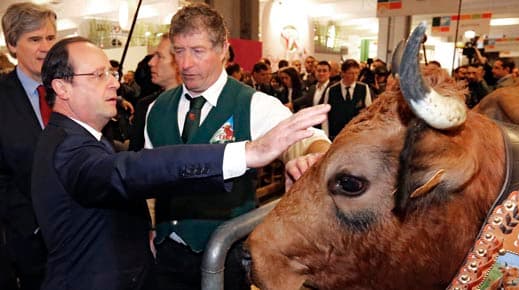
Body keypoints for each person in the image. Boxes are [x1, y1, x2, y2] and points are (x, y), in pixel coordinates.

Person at [31, 36, 330, 290]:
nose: (114, 84)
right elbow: (131, 171)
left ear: (222, 51)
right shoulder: (67, 147)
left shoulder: (85, 138)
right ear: (62, 88)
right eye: (98, 76)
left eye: (111, 73)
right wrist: (246, 153)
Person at [145, 3, 331, 290]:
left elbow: (305, 138)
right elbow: (146, 179)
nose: (185, 64)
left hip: (227, 257)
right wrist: (151, 229)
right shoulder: (158, 109)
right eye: (179, 51)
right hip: (168, 254)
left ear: (223, 50)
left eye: (197, 51)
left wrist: (312, 156)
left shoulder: (253, 104)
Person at [0, 3, 57, 289]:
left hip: (83, 235)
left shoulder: (73, 87)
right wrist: (30, 223)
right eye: (34, 39)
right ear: (12, 44)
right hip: (28, 244)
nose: (45, 48)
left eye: (50, 38)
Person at [129, 33, 180, 152]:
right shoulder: (145, 106)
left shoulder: (198, 104)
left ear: (178, 61)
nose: (151, 62)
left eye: (160, 56)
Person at [322, 58, 373, 140]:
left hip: (356, 135)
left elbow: (369, 112)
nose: (354, 77)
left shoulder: (363, 88)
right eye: (351, 73)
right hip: (336, 134)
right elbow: (325, 115)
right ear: (342, 73)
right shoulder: (331, 90)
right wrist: (325, 135)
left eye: (356, 73)